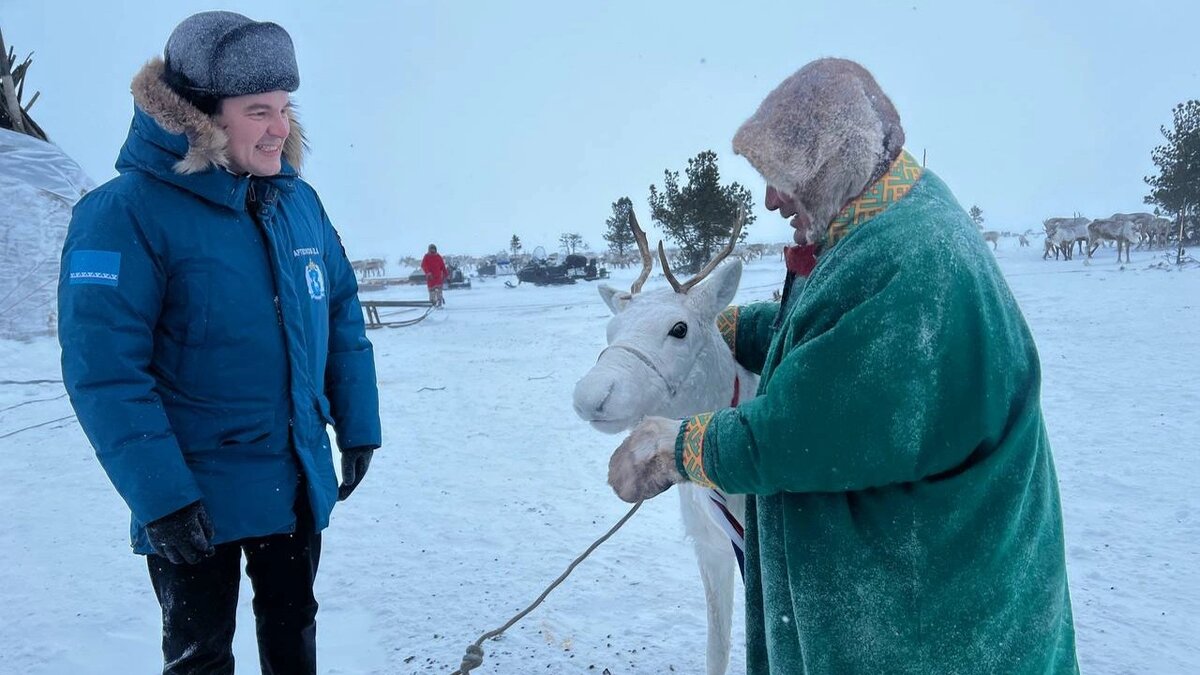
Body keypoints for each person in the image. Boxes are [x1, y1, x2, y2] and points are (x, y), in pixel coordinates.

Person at [606, 58, 1079, 673]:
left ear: (836, 165)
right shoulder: (888, 218)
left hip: (927, 623)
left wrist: (678, 449)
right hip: (923, 580)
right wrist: (734, 326)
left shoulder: (913, 264)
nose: (771, 200)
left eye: (782, 178)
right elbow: (848, 345)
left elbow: (812, 433)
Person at [57, 11, 381, 674]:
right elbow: (105, 372)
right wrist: (161, 497)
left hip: (290, 479)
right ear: (197, 116)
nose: (279, 128)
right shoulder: (124, 213)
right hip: (192, 497)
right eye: (258, 110)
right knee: (201, 657)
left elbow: (341, 312)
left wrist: (358, 425)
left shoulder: (298, 202)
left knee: (294, 631)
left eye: (286, 108)